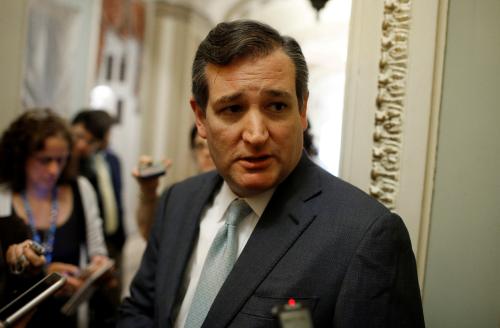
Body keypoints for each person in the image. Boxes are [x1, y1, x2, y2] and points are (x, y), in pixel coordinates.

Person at [118, 20, 424, 327]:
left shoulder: (364, 236)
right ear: (200, 118)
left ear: (302, 110)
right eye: (233, 109)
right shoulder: (178, 201)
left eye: (276, 106)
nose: (256, 134)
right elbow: (141, 310)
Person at [0, 109, 111, 327]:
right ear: (21, 157)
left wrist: (93, 271)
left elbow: (97, 252)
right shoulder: (3, 196)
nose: (54, 170)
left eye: (61, 160)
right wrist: (44, 276)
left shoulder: (81, 189)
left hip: (67, 318)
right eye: (45, 160)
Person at [71, 109, 125, 327]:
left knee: (111, 302)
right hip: (88, 242)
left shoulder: (112, 161)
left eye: (91, 140)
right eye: (80, 137)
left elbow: (115, 199)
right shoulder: (76, 170)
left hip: (113, 239)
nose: (83, 144)